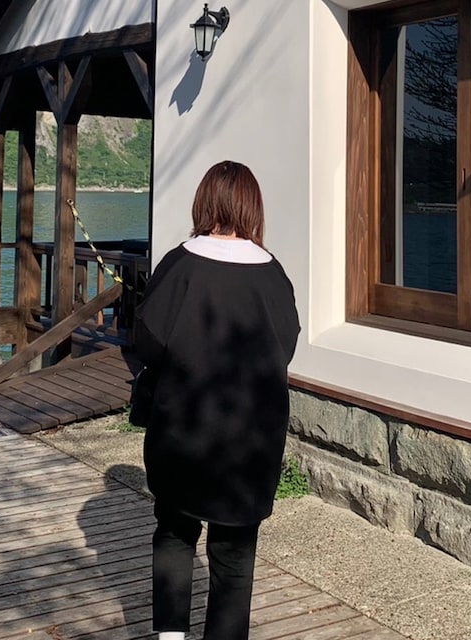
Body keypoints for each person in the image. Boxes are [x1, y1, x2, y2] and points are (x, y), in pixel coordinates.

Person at [133, 160, 300, 640]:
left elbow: (147, 341)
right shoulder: (272, 274)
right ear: (252, 207)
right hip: (251, 437)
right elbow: (286, 344)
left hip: (182, 427)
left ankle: (170, 636)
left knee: (175, 531)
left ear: (204, 202)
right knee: (235, 552)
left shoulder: (179, 265)